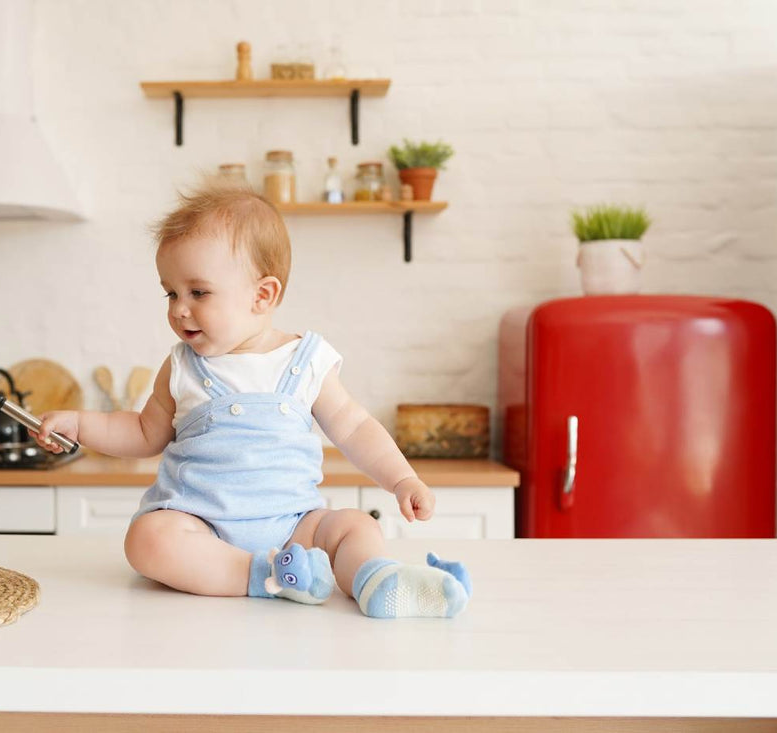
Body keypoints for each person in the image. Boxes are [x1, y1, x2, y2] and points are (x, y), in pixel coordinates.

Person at [31, 184, 470, 618]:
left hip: (296, 526)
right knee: (147, 539)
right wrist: (81, 424)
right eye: (171, 293)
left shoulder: (308, 361)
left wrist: (401, 479)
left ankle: (376, 581)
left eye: (198, 293)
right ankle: (267, 576)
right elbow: (144, 432)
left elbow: (354, 427)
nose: (179, 309)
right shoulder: (182, 367)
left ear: (263, 295)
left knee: (357, 526)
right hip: (202, 525)